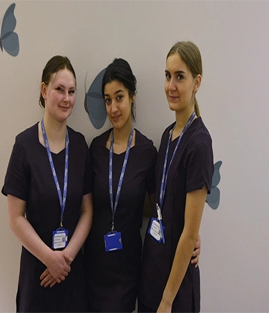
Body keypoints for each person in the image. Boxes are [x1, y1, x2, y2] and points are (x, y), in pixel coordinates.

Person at [83, 58, 201, 313]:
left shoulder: (148, 151)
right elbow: (84, 207)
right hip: (93, 269)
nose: (113, 107)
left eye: (119, 97)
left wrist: (192, 232)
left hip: (129, 272)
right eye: (107, 100)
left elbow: (161, 204)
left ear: (132, 97)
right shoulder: (94, 149)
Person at [2, 55, 93, 313]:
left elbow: (87, 210)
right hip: (38, 273)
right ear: (44, 90)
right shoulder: (24, 146)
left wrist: (65, 259)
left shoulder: (80, 147)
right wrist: (49, 259)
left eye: (72, 92)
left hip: (71, 272)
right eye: (59, 90)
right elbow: (15, 218)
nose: (67, 98)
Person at [138, 41, 214, 313]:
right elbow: (164, 202)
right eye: (168, 76)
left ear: (197, 82)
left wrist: (167, 301)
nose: (171, 85)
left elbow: (189, 233)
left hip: (175, 292)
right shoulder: (167, 135)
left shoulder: (200, 143)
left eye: (180, 77)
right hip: (153, 274)